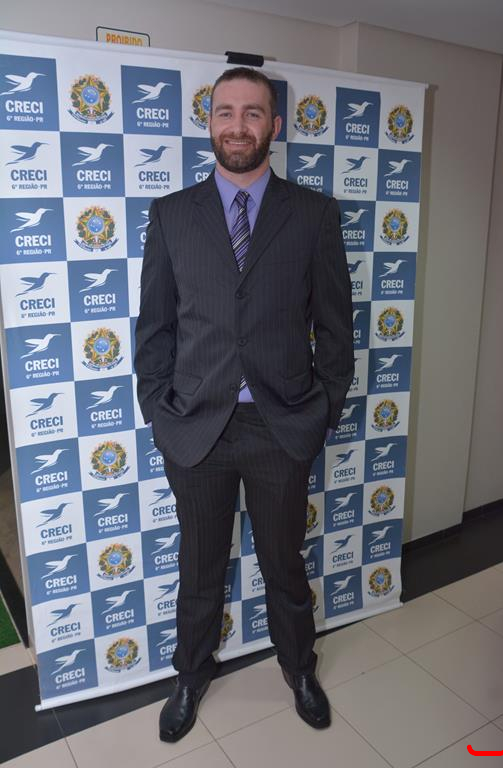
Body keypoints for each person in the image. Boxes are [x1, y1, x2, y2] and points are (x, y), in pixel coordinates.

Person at [134, 66, 354, 743]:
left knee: (284, 563)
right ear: (210, 123)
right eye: (225, 112)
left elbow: (336, 330)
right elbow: (155, 329)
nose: (238, 125)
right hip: (195, 428)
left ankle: (299, 669)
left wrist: (321, 412)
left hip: (280, 426)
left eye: (252, 113)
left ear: (274, 125)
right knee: (200, 567)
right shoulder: (172, 215)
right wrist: (159, 410)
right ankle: (190, 675)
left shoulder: (314, 215)